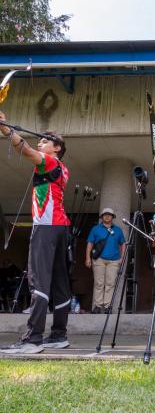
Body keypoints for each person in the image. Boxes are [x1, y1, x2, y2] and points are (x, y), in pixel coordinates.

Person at [0, 110, 70, 354]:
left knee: (38, 279)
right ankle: (59, 335)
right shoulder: (62, 167)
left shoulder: (49, 161)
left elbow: (25, 150)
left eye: (45, 141)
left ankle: (33, 339)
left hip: (47, 227)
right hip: (60, 227)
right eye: (40, 139)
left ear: (57, 148)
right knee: (60, 282)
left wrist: (6, 129)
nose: (40, 142)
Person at [85, 207, 126, 313]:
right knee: (99, 283)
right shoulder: (95, 229)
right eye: (105, 214)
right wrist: (88, 258)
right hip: (99, 260)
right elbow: (90, 243)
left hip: (114, 261)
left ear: (112, 217)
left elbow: (123, 244)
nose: (107, 216)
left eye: (109, 214)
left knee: (110, 283)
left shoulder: (118, 230)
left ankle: (107, 306)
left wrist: (122, 257)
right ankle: (98, 306)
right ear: (102, 217)